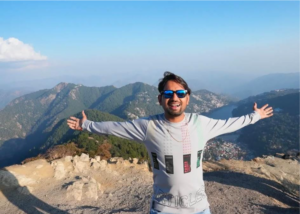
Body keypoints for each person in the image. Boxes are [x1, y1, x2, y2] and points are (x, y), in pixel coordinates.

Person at [67, 72, 273, 214]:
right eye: (168, 93)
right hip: (164, 208)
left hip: (199, 207)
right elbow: (114, 128)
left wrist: (255, 116)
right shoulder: (148, 126)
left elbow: (230, 123)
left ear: (188, 99)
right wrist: (87, 125)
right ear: (160, 99)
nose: (174, 97)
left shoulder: (201, 124)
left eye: (180, 93)